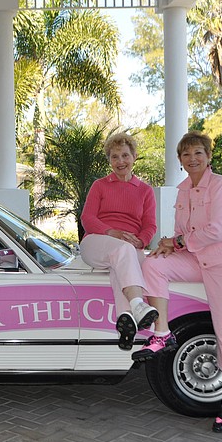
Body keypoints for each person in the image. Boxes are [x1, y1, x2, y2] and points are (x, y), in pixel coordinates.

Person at [139, 131, 222, 433]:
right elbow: (183, 233)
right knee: (153, 264)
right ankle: (161, 333)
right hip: (198, 259)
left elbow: (215, 231)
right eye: (186, 155)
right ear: (180, 160)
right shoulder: (183, 190)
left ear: (209, 156)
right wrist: (168, 245)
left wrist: (175, 241)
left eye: (198, 153)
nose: (192, 159)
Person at [80, 132, 158, 350]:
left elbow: (150, 226)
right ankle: (137, 304)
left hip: (129, 248)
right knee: (123, 252)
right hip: (97, 242)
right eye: (115, 157)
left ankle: (126, 323)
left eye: (125, 155)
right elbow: (87, 218)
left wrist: (140, 241)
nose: (120, 162)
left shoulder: (145, 191)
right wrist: (110, 231)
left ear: (134, 156)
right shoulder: (100, 186)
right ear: (110, 160)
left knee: (124, 262)